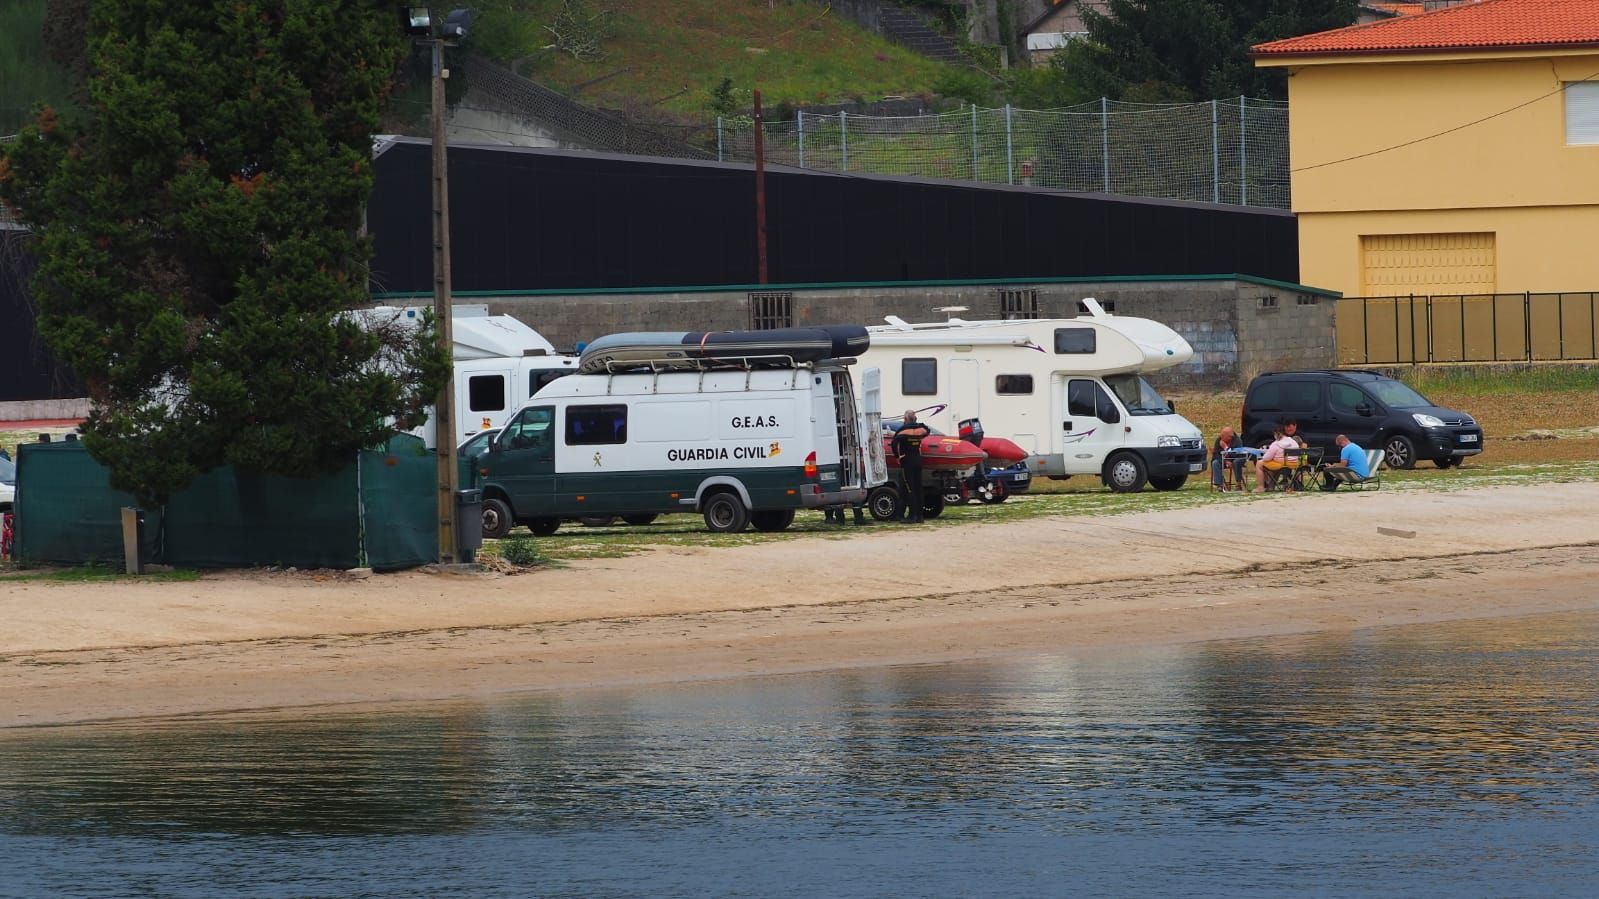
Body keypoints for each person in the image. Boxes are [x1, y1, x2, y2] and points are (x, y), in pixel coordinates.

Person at [892, 410, 931, 523]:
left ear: (905, 419)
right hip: (918, 460)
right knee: (918, 488)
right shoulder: (921, 430)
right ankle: (919, 516)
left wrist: (897, 456)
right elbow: (926, 430)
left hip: (907, 461)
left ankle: (912, 516)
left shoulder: (903, 430)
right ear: (915, 419)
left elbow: (894, 443)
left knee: (910, 489)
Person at [1254, 425, 1300, 493]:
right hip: (1294, 464)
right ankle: (1271, 485)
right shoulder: (1293, 442)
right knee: (1274, 463)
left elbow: (1266, 458)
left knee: (1259, 463)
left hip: (1281, 464)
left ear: (1275, 434)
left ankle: (1261, 487)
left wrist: (1264, 457)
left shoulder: (1276, 444)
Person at [1210, 426, 1246, 491]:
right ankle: (1220, 485)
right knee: (1215, 463)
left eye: (1223, 436)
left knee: (1236, 462)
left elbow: (1238, 454)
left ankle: (1238, 484)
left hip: (1237, 459)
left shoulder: (1237, 441)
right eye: (1221, 435)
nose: (1221, 437)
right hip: (1223, 460)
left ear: (1229, 437)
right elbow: (1216, 454)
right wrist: (1226, 461)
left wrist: (1226, 448)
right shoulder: (1219, 440)